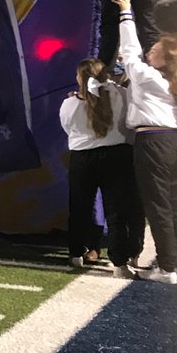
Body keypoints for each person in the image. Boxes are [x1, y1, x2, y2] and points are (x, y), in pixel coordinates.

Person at [112, 0, 177, 283]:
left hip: (153, 141)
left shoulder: (149, 78)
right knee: (172, 205)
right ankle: (172, 262)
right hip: (172, 140)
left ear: (164, 57)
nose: (149, 50)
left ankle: (167, 267)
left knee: (158, 206)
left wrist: (126, 13)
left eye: (155, 49)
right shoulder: (168, 81)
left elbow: (129, 50)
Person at [59, 58, 141, 279]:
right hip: (117, 155)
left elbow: (68, 129)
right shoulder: (122, 95)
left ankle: (76, 253)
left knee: (80, 207)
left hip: (82, 158)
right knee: (117, 211)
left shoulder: (70, 104)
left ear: (80, 78)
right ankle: (119, 263)